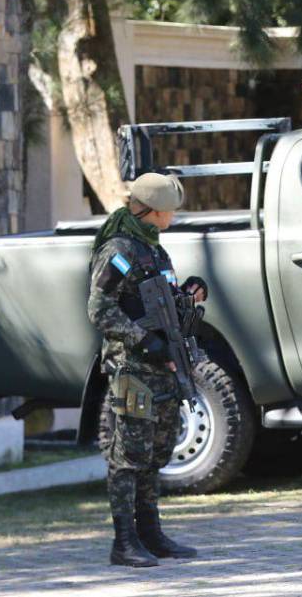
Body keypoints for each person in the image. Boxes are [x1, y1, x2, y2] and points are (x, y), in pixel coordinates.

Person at [88, 172, 207, 566]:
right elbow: (100, 308)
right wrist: (143, 340)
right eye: (168, 211)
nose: (172, 217)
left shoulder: (153, 250)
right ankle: (124, 542)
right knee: (130, 454)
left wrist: (187, 292)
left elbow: (159, 298)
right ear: (152, 211)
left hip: (162, 368)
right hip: (133, 367)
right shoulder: (120, 250)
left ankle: (150, 533)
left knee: (158, 450)